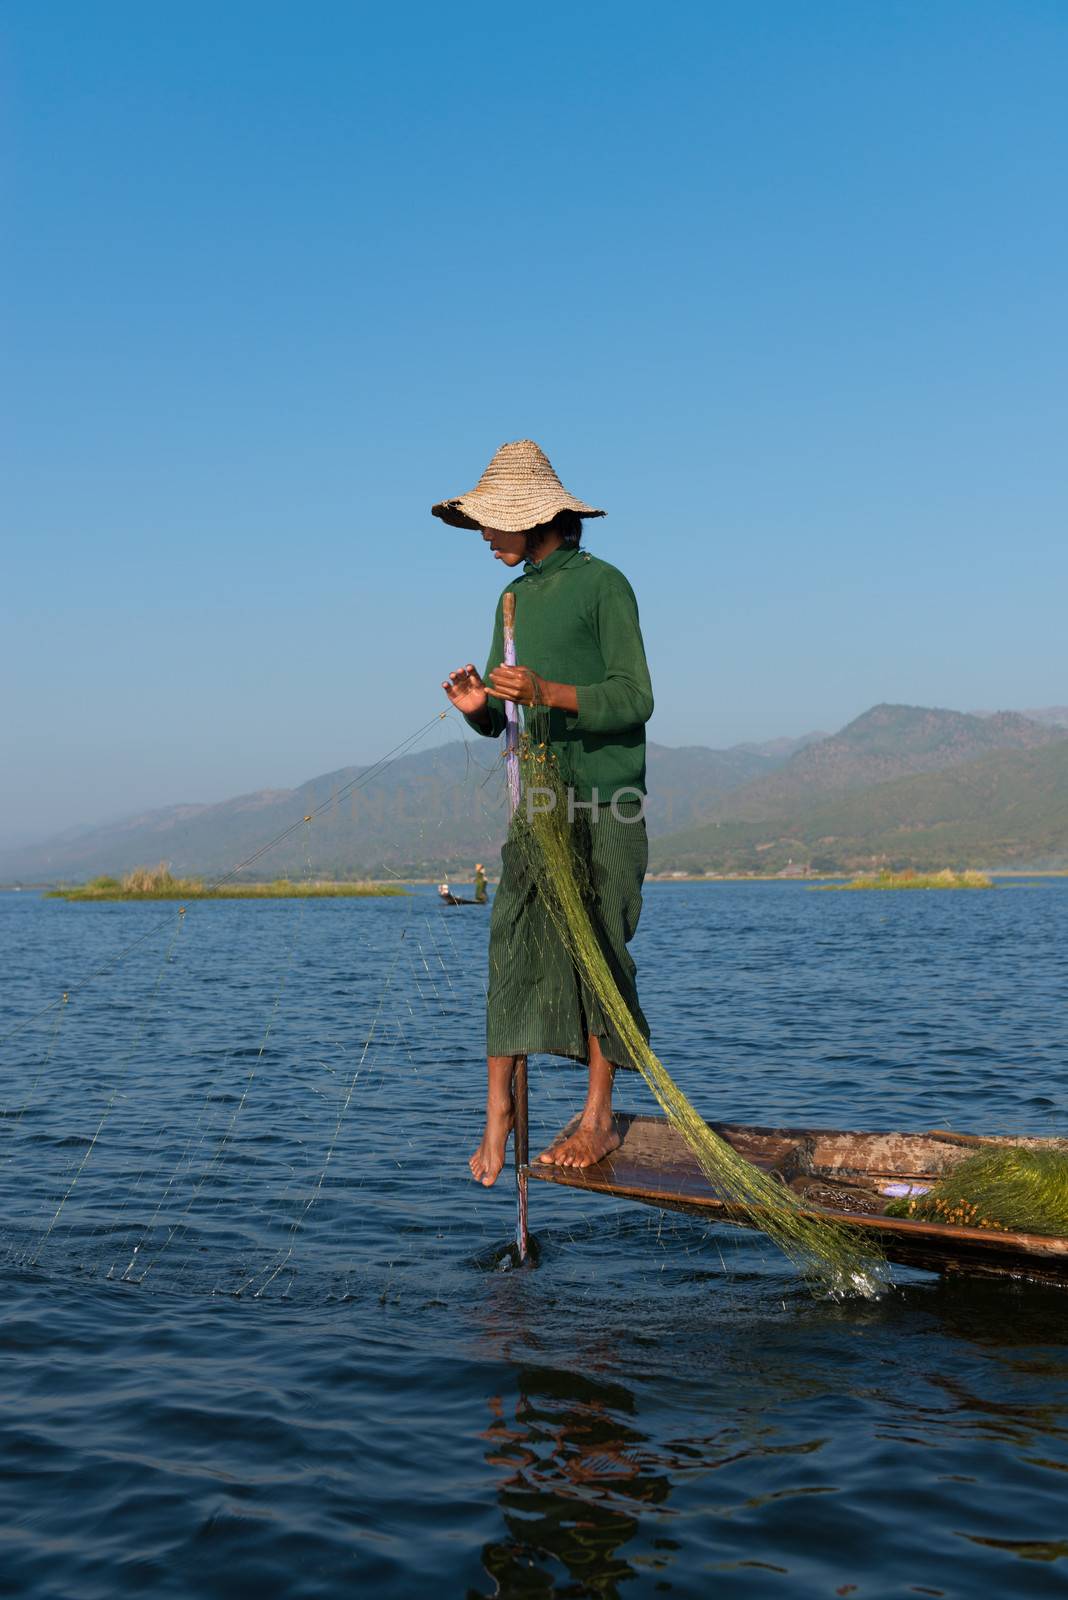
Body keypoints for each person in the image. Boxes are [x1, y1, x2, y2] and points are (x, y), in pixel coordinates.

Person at [436, 440, 653, 1186]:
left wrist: (547, 692)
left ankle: (597, 1119)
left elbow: (634, 699)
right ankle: (498, 1109)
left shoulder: (604, 587)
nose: (487, 536)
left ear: (539, 521)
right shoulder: (510, 601)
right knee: (513, 940)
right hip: (538, 807)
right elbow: (506, 718)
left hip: (604, 800)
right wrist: (478, 709)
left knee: (599, 952)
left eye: (496, 522)